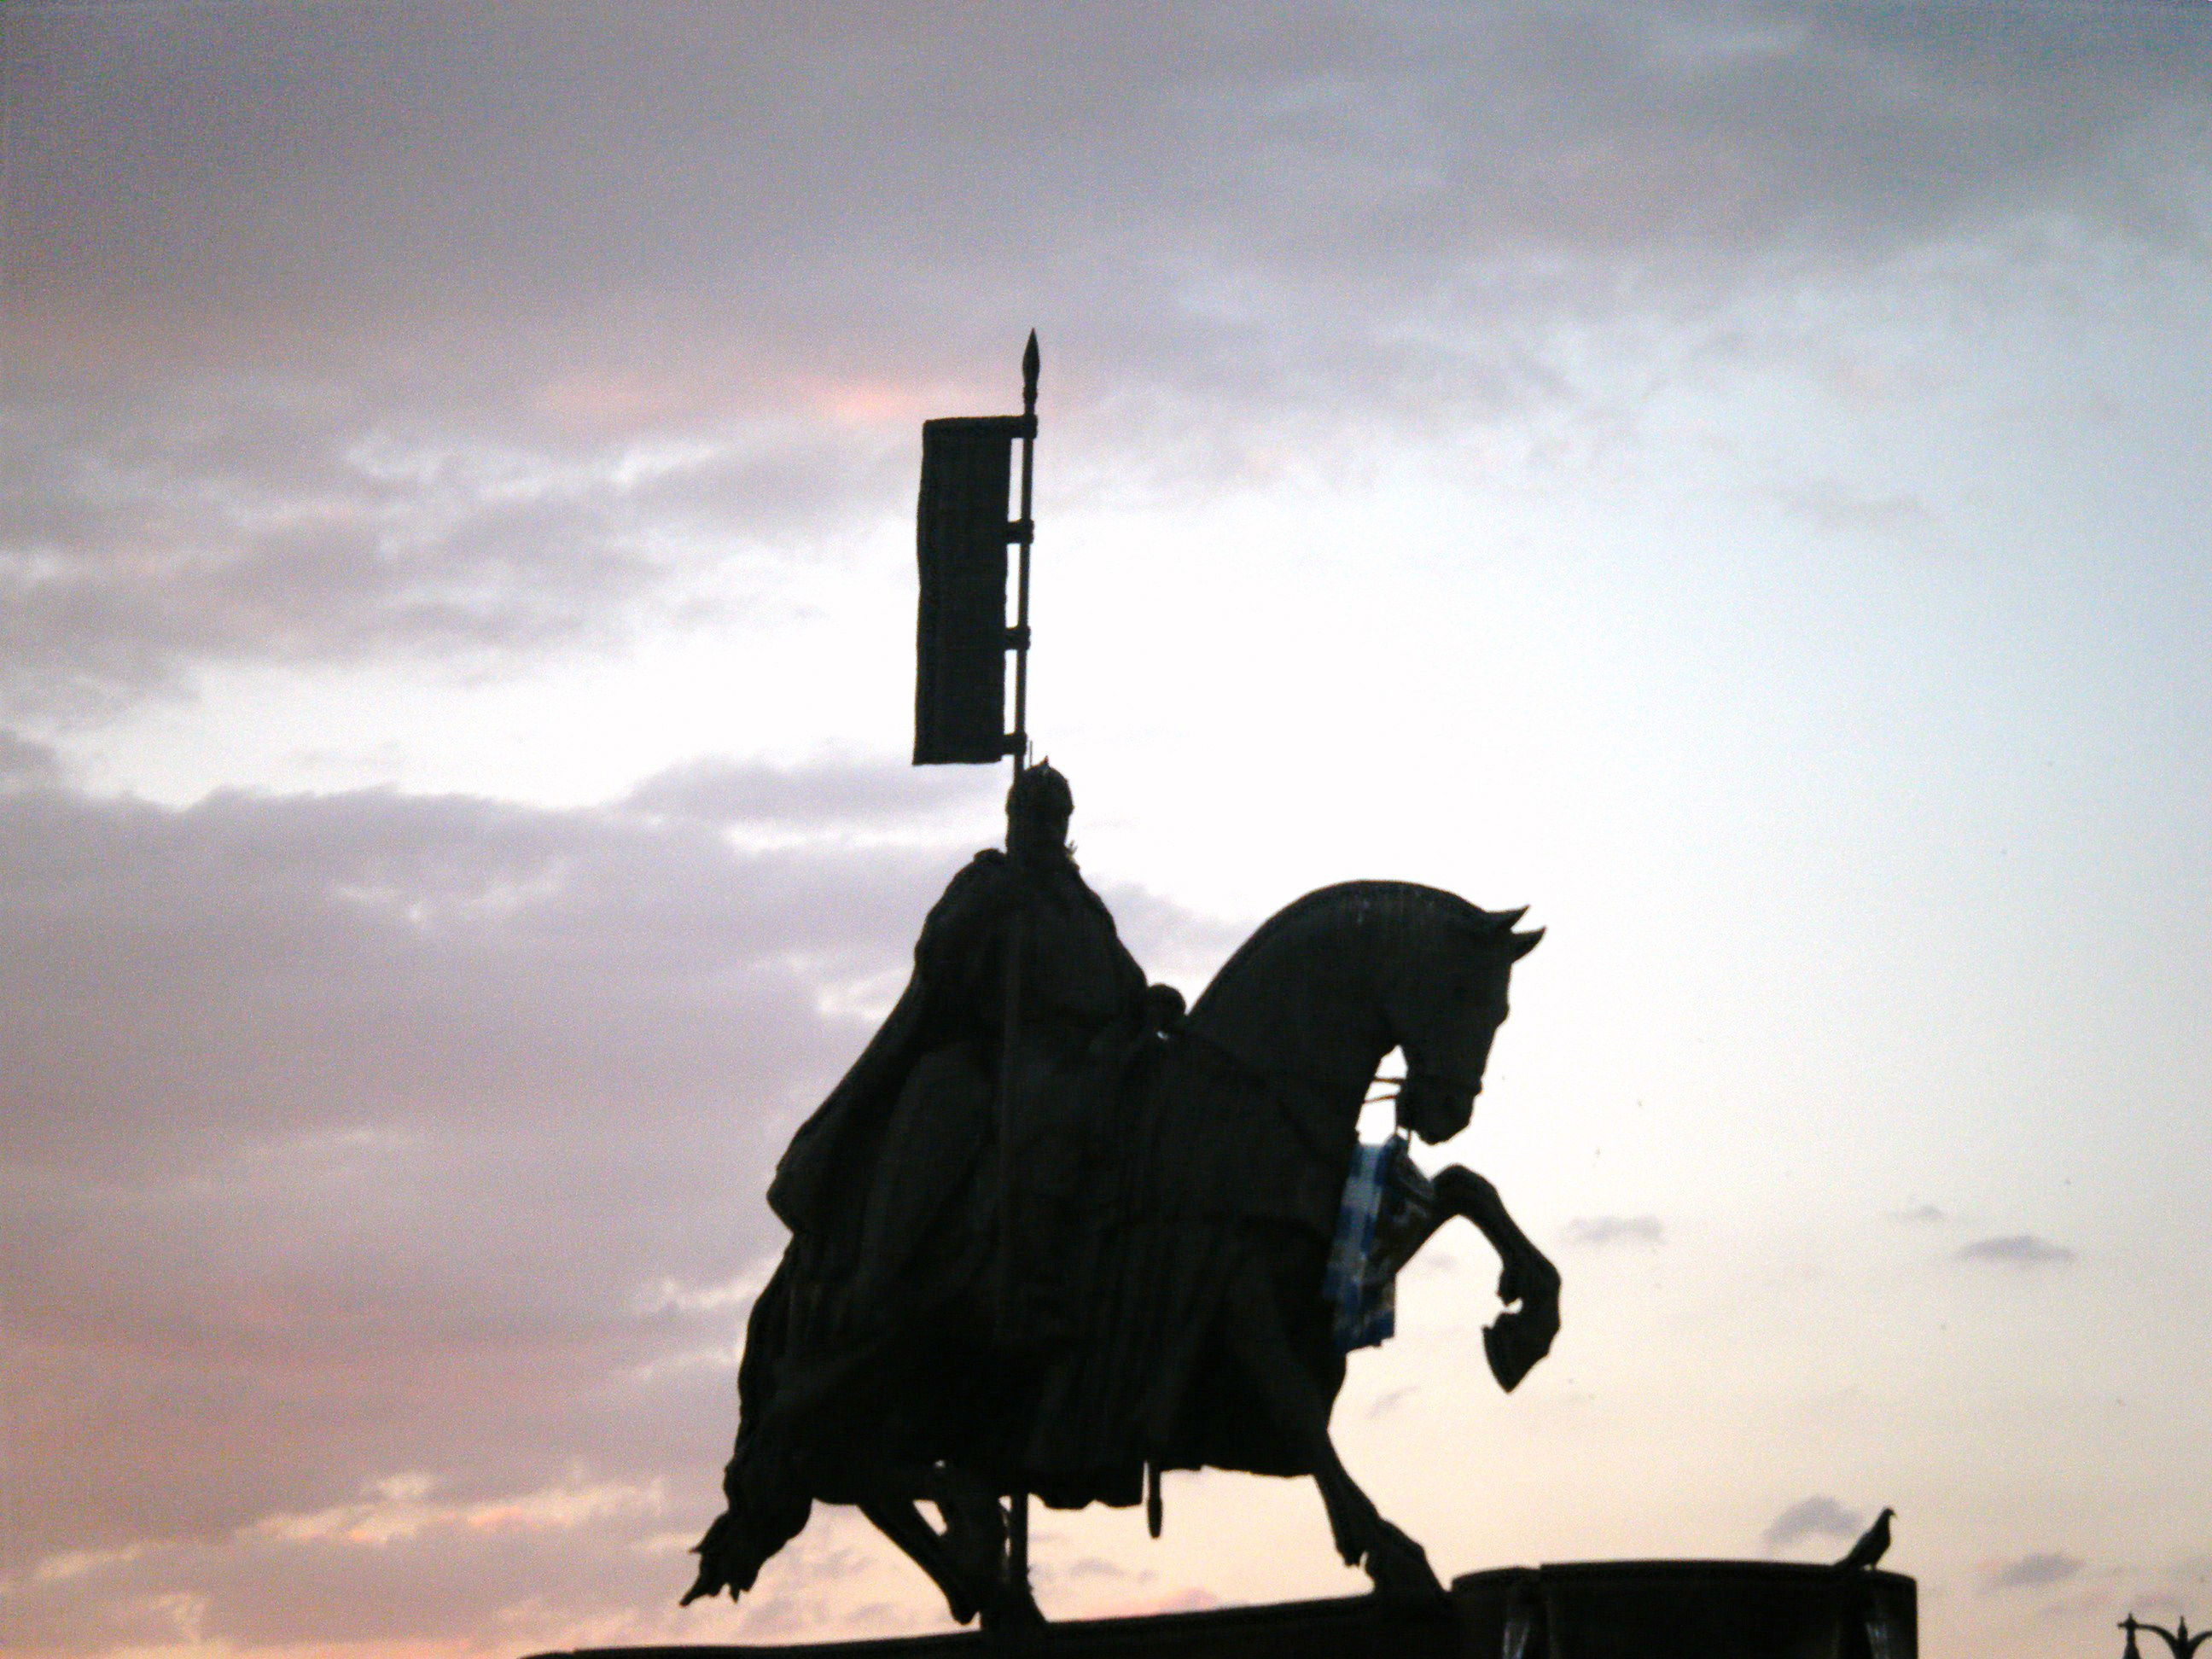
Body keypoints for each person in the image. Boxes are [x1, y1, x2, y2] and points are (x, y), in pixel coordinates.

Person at [766, 762, 1175, 1356]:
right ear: (1013, 819)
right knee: (1016, 1119)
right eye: (1032, 813)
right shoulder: (991, 884)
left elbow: (1120, 977)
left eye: (1054, 815)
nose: (1043, 826)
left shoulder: (1080, 904)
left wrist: (1150, 1003)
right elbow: (939, 958)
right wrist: (987, 913)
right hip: (1012, 1054)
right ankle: (998, 1280)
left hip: (1092, 1059)